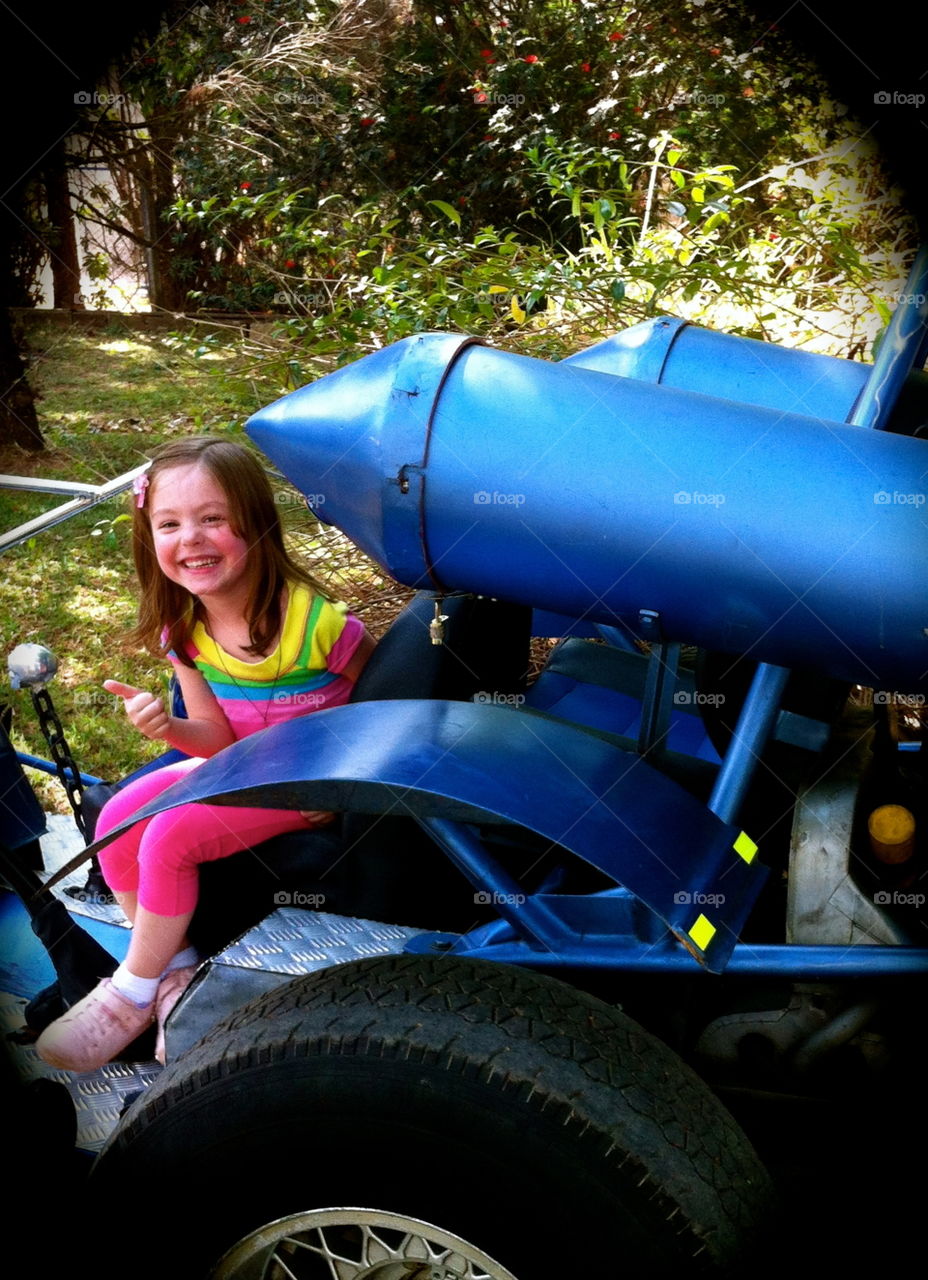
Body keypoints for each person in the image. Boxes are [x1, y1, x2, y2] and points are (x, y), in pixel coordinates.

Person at [36, 436, 375, 1073]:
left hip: (309, 784)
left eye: (212, 518)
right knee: (116, 821)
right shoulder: (184, 632)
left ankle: (130, 992)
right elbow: (216, 740)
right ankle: (178, 975)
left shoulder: (319, 625)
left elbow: (384, 704)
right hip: (242, 767)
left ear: (255, 525)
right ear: (149, 538)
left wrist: (346, 790)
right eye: (169, 523)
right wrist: (168, 726)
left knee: (171, 835)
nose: (190, 537)